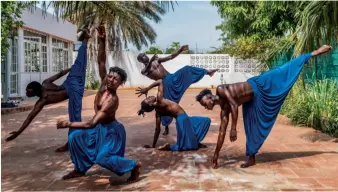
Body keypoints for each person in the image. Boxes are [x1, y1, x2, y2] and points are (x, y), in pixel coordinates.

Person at [195, 45, 332, 169]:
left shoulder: (220, 89)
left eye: (203, 102)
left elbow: (234, 105)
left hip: (260, 84)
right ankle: (252, 158)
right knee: (252, 128)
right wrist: (216, 156)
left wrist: (234, 128)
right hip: (252, 101)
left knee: (282, 71)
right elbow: (221, 132)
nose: (205, 106)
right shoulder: (223, 111)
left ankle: (314, 53)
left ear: (209, 96)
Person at [56, 26, 141, 182]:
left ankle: (134, 165)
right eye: (110, 76)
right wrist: (102, 40)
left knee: (103, 158)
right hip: (99, 128)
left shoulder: (112, 101)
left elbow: (90, 124)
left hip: (111, 132)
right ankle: (79, 169)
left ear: (120, 84)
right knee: (75, 137)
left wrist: (68, 123)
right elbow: (101, 60)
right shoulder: (103, 84)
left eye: (116, 79)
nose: (111, 79)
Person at [6, 28, 91, 153]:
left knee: (75, 119)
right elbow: (60, 74)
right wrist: (72, 69)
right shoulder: (44, 87)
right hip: (72, 85)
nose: (26, 93)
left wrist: (72, 69)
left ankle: (84, 41)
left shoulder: (42, 99)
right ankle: (84, 41)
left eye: (27, 92)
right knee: (75, 117)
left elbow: (30, 118)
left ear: (33, 91)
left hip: (72, 87)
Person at [137, 48, 218, 136]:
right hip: (164, 85)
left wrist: (180, 50)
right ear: (141, 61)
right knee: (165, 107)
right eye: (143, 56)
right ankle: (166, 127)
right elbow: (148, 69)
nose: (145, 56)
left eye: (145, 55)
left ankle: (207, 72)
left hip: (172, 77)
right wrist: (152, 60)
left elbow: (170, 57)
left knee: (187, 69)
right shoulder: (143, 71)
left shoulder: (157, 60)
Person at [136, 79, 211, 151]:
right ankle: (169, 147)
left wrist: (153, 146)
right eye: (148, 99)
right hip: (182, 120)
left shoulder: (157, 112)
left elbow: (157, 130)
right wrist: (147, 88)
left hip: (184, 119)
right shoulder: (159, 100)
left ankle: (194, 142)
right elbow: (160, 81)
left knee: (206, 121)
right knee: (186, 147)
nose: (149, 96)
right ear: (150, 103)